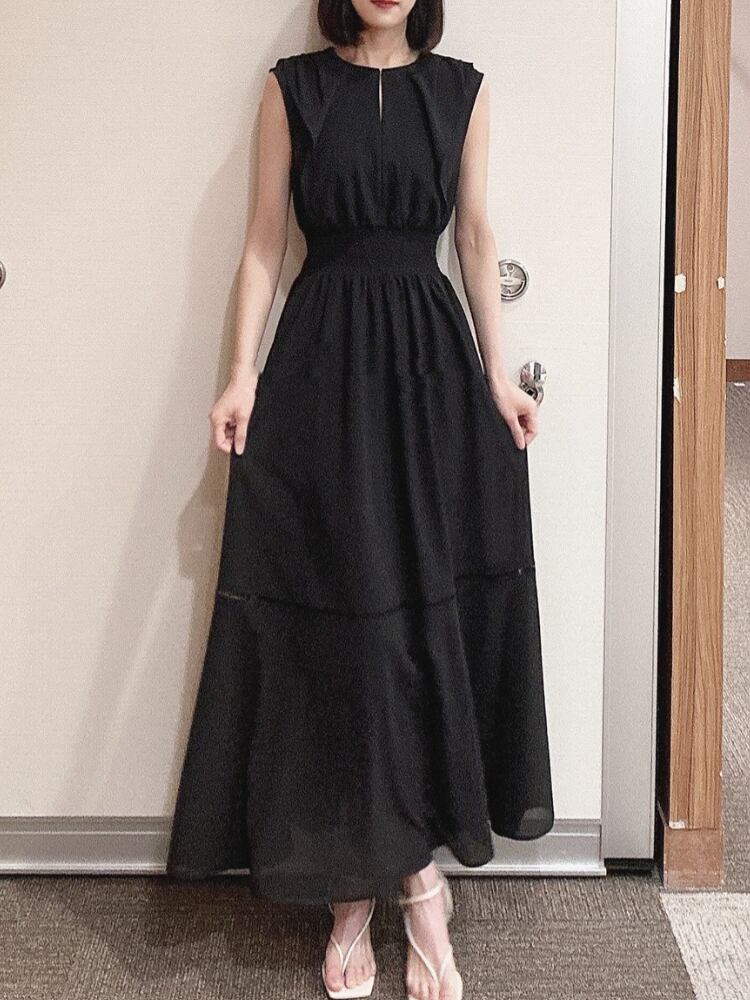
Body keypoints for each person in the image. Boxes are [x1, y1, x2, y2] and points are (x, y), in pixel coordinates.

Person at [166, 2, 555, 999]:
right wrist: (241, 375)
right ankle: (361, 887)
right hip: (320, 366)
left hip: (427, 368)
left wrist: (497, 378)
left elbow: (475, 238)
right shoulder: (293, 89)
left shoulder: (461, 90)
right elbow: (265, 242)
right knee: (341, 628)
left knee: (418, 626)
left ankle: (413, 881)